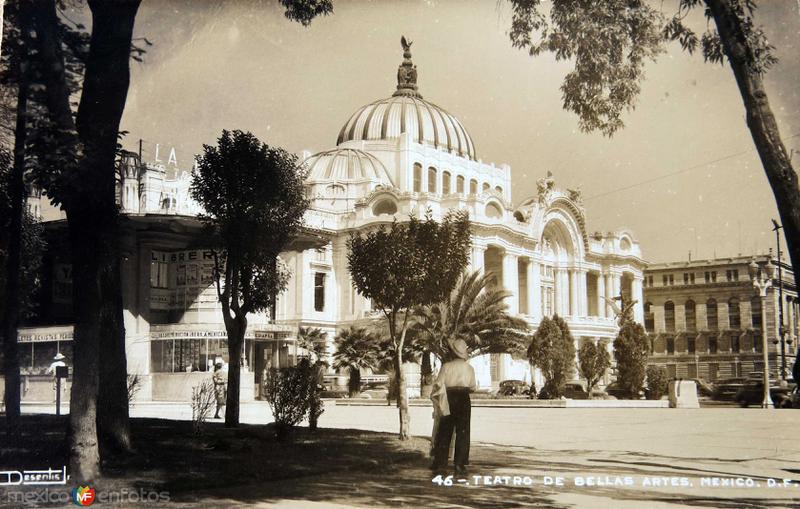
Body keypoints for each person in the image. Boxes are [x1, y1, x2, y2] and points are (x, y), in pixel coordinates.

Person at [431, 339, 476, 476]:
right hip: (463, 398)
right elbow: (473, 387)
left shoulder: (446, 366)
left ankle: (440, 463)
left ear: (452, 352)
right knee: (463, 431)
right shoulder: (469, 368)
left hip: (449, 397)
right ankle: (460, 464)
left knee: (445, 430)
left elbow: (438, 384)